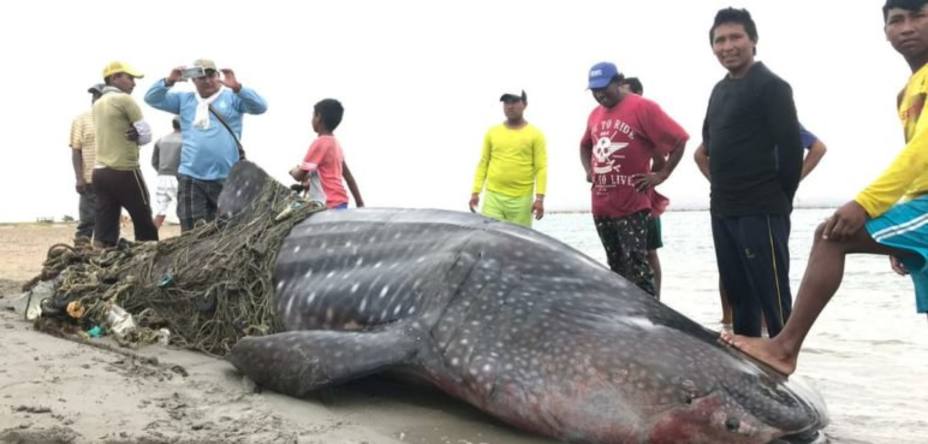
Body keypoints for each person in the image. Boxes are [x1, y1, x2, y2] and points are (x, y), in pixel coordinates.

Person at [723, 0, 928, 376]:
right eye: (896, 20)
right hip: (922, 205)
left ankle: (784, 348)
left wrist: (868, 205)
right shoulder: (908, 91)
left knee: (832, 236)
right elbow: (919, 166)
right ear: (885, 32)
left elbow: (924, 148)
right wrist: (904, 233)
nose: (907, 27)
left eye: (918, 16)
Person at [700, 8, 803, 338]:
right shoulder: (718, 91)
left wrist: (779, 202)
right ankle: (749, 374)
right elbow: (709, 148)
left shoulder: (773, 87)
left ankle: (784, 376)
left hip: (762, 209)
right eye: (720, 40)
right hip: (724, 209)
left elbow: (790, 151)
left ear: (753, 41)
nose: (727, 46)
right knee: (739, 298)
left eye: (735, 37)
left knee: (773, 299)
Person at [695, 125, 829, 328]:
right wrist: (719, 184)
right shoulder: (727, 121)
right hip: (732, 204)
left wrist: (793, 179)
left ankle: (772, 326)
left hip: (768, 205)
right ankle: (728, 320)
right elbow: (699, 155)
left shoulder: (780, 119)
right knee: (732, 266)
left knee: (768, 266)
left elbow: (818, 148)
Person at [580, 62, 688, 297]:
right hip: (601, 205)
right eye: (594, 91)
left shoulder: (643, 107)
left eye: (604, 88)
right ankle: (624, 322)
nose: (599, 95)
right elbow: (584, 146)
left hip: (631, 205)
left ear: (618, 82)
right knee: (616, 269)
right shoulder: (595, 114)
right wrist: (589, 170)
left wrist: (662, 174)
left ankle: (652, 321)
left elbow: (680, 140)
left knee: (638, 267)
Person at [144, 59, 268, 231]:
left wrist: (238, 88)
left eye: (211, 75)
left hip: (227, 177)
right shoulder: (184, 100)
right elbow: (151, 99)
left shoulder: (233, 98)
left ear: (218, 76)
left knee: (228, 232)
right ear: (193, 80)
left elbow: (260, 107)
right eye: (202, 78)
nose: (208, 81)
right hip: (191, 176)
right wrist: (169, 80)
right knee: (192, 233)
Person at [92, 61, 158, 248]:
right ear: (114, 78)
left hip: (100, 171)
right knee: (143, 219)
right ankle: (147, 259)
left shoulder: (97, 104)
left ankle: (101, 259)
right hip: (124, 169)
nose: (133, 83)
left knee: (106, 222)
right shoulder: (125, 100)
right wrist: (138, 135)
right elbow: (145, 135)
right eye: (129, 78)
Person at [618, 77, 670, 298]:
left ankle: (656, 299)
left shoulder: (646, 121)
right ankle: (631, 297)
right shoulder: (620, 121)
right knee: (626, 253)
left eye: (627, 94)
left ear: (638, 93)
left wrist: (654, 177)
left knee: (649, 251)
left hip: (645, 199)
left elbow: (660, 158)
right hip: (620, 200)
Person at [469, 89, 547, 227]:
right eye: (506, 102)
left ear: (525, 104)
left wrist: (539, 198)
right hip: (493, 196)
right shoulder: (492, 132)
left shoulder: (536, 134)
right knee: (490, 237)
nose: (510, 106)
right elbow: (483, 163)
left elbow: (541, 168)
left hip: (521, 199)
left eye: (514, 101)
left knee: (518, 242)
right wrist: (475, 192)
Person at [289, 99, 364, 209]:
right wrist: (359, 202)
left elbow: (299, 175)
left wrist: (293, 170)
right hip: (341, 202)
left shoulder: (319, 143)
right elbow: (348, 177)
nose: (311, 120)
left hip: (326, 204)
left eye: (313, 116)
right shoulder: (336, 144)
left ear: (318, 117)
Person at [69, 83, 104, 244]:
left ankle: (105, 257)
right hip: (89, 179)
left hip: (113, 178)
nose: (95, 99)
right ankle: (79, 257)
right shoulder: (81, 120)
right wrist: (79, 178)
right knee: (86, 222)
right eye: (94, 96)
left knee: (108, 224)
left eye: (99, 96)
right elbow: (76, 150)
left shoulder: (118, 119)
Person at [151, 116, 183, 229]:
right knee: (184, 211)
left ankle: (151, 237)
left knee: (160, 211)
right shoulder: (187, 140)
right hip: (178, 178)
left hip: (162, 177)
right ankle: (186, 238)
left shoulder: (161, 140)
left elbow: (154, 162)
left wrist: (161, 171)